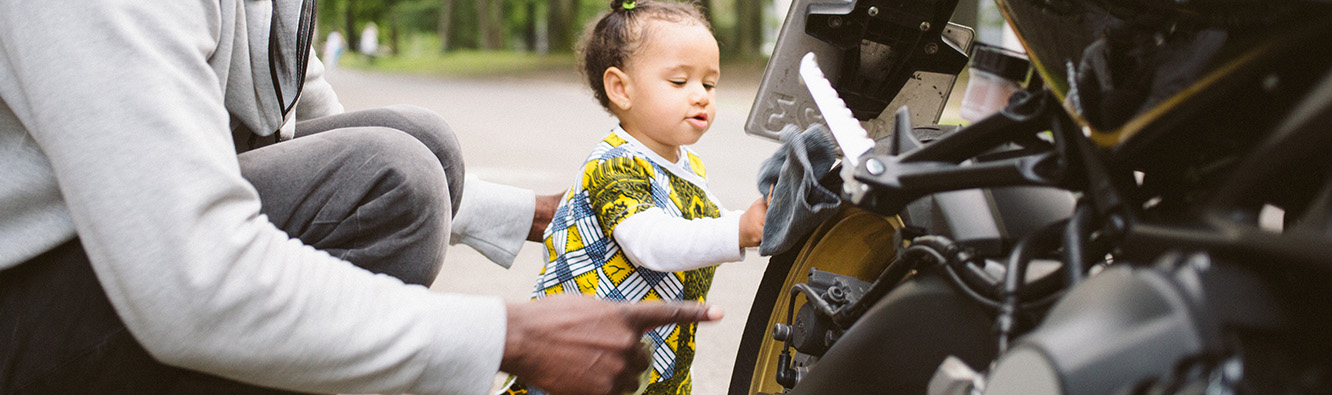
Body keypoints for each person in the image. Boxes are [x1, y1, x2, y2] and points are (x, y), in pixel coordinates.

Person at [0, 1, 720, 394]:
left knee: (423, 148)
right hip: (32, 305)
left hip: (122, 255)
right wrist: (509, 336)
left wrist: (524, 211)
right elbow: (190, 279)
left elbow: (305, 122)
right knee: (396, 179)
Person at [500, 1, 767, 394]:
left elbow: (699, 224)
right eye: (680, 82)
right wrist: (737, 230)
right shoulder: (614, 167)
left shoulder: (685, 163)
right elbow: (653, 243)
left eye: (709, 84)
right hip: (580, 360)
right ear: (621, 88)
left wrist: (754, 221)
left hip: (652, 354)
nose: (701, 97)